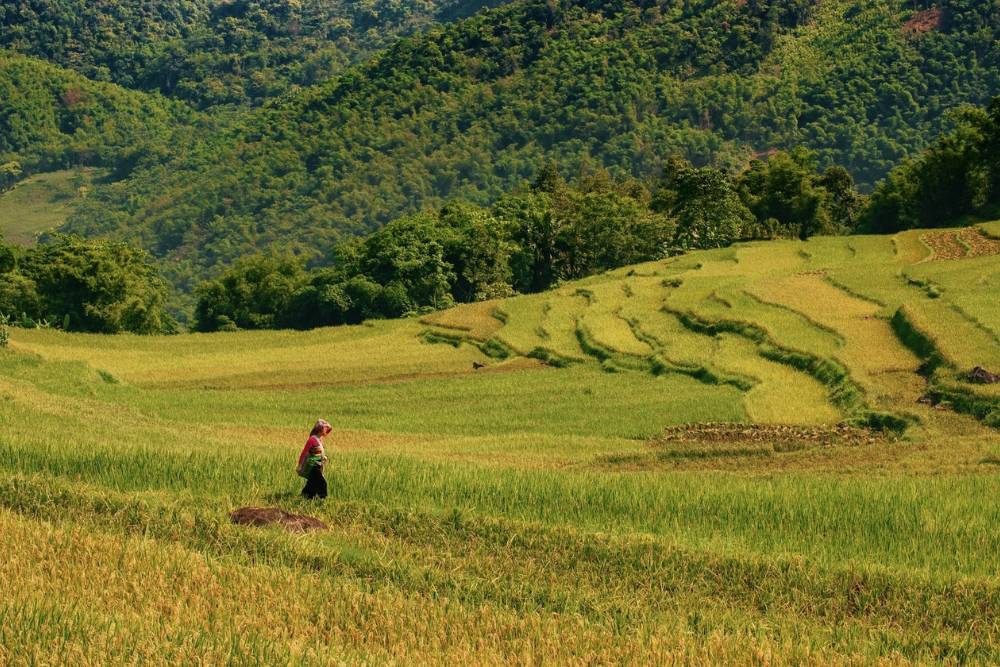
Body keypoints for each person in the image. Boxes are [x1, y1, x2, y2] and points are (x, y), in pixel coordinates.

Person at [298, 419, 331, 499]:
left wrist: (324, 458)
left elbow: (318, 452)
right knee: (322, 483)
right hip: (312, 465)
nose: (326, 431)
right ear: (320, 429)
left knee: (312, 484)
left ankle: (306, 496)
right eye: (324, 428)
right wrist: (300, 465)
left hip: (318, 465)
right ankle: (322, 499)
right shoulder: (312, 439)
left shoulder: (319, 440)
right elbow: (304, 453)